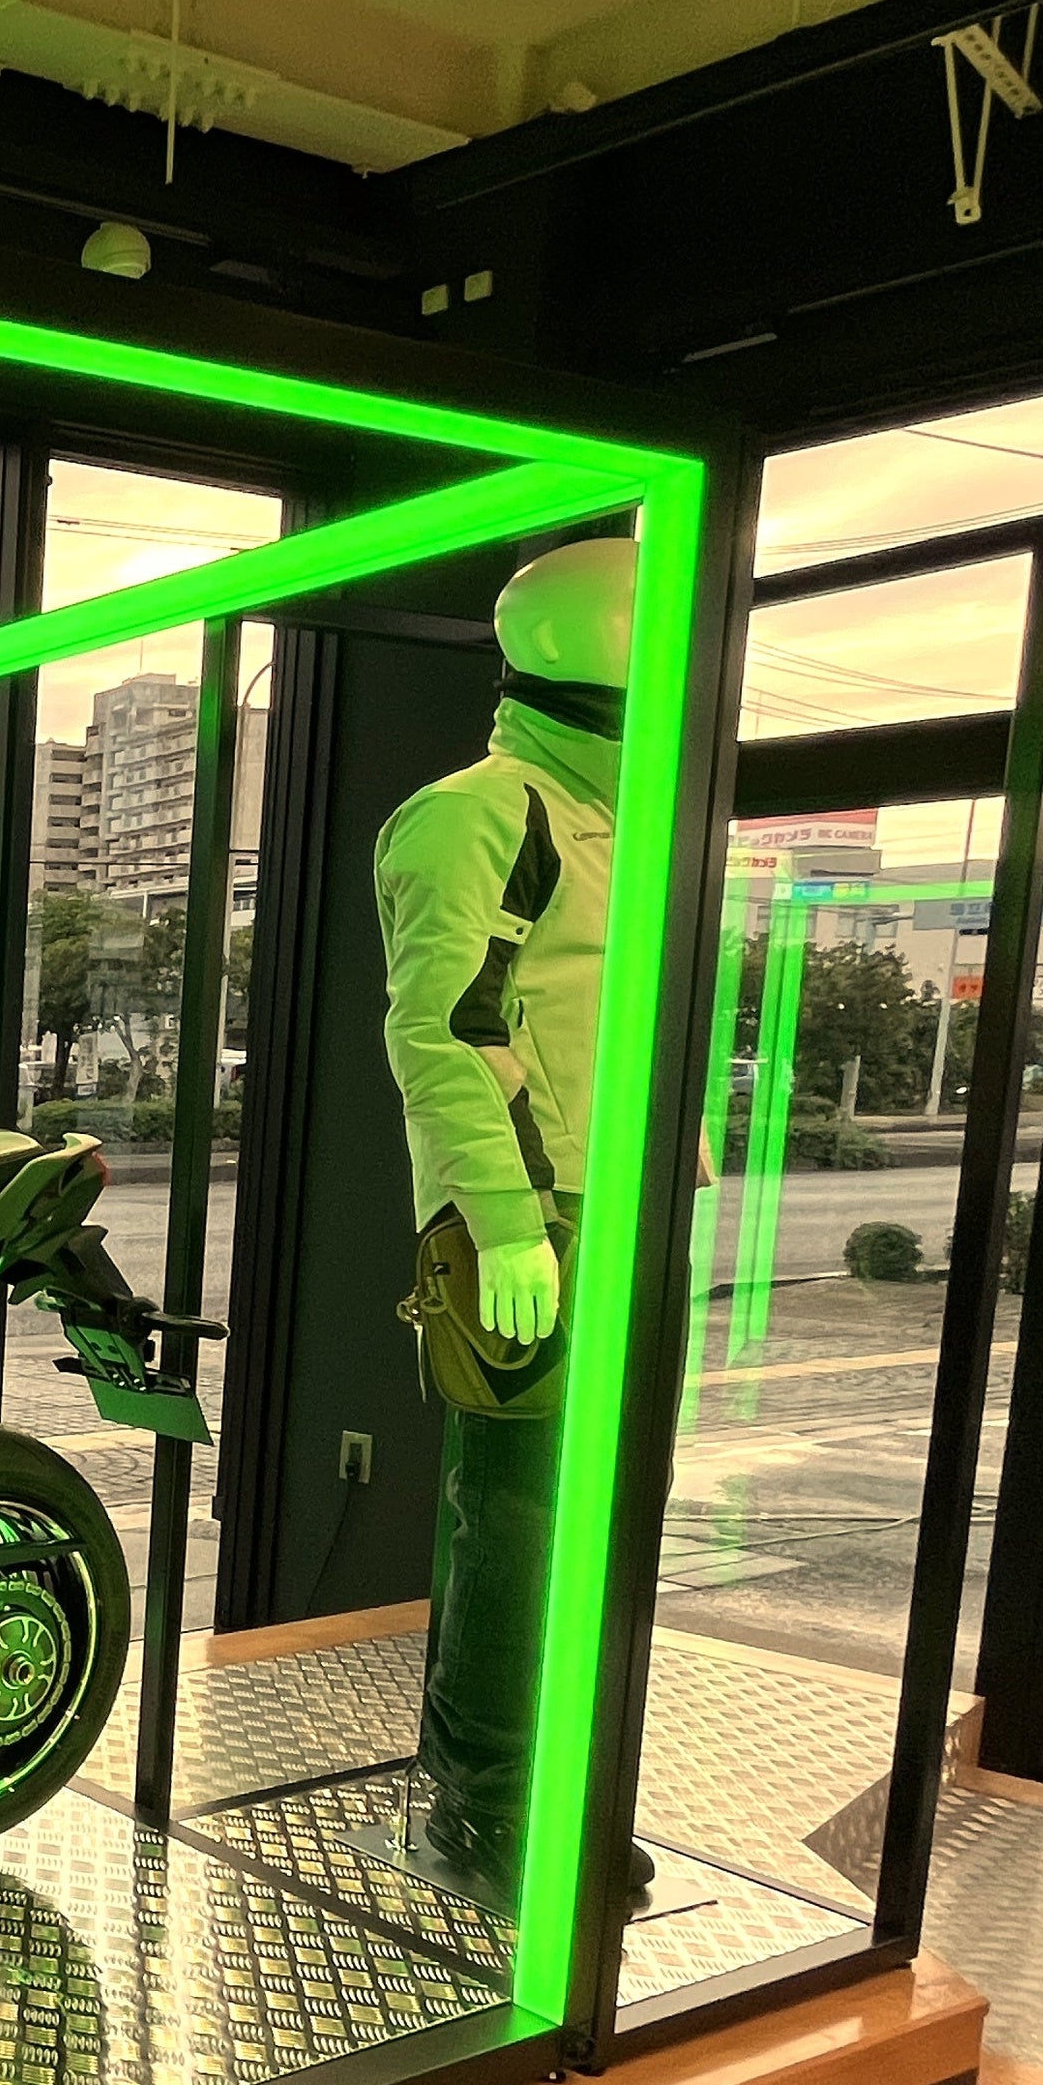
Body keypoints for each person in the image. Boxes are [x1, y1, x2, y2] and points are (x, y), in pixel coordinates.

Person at [375, 537, 655, 1918]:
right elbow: (440, 1033)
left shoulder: (630, 819)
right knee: (515, 1519)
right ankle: (485, 1800)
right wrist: (505, 1223)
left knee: (584, 1520)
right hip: (529, 1225)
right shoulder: (481, 815)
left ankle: (552, 1785)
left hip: (619, 1213)